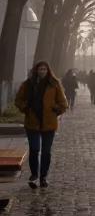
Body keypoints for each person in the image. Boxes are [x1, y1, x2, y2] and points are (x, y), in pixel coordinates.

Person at [14, 60, 70, 189]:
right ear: (36, 71)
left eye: (44, 69)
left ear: (48, 71)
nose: (42, 72)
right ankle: (34, 175)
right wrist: (26, 109)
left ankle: (43, 177)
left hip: (49, 123)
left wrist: (55, 110)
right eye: (40, 69)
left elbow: (63, 102)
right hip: (32, 122)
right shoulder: (28, 84)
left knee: (46, 151)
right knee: (34, 150)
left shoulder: (54, 84)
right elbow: (19, 100)